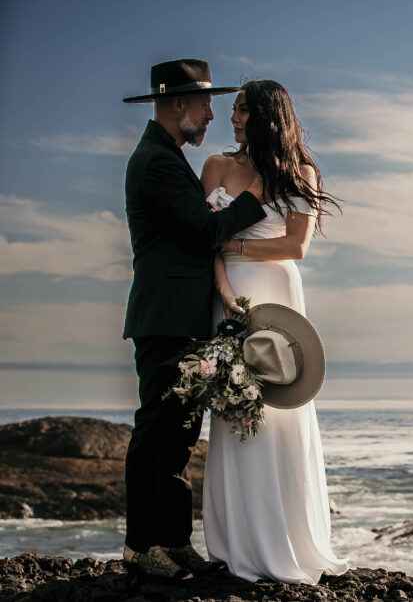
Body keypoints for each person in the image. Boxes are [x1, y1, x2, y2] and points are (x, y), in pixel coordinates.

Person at [122, 59, 268, 578]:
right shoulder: (157, 163)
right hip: (163, 316)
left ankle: (175, 542)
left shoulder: (169, 156)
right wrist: (256, 196)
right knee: (156, 431)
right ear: (177, 104)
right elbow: (204, 234)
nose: (211, 114)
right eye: (205, 104)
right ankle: (141, 548)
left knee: (182, 433)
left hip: (183, 316)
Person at [199, 79, 348, 583]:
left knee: (280, 407)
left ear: (268, 116)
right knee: (235, 407)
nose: (234, 117)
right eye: (234, 109)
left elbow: (295, 246)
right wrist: (222, 290)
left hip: (277, 293)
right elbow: (205, 242)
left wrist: (234, 250)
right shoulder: (216, 167)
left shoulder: (299, 173)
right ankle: (237, 542)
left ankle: (287, 539)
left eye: (243, 110)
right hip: (229, 297)